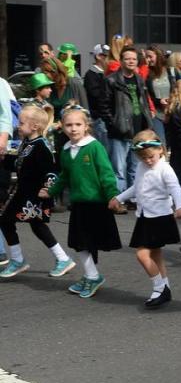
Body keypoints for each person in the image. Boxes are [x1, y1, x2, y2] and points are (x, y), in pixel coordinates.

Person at [39, 105, 121, 298]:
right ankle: (91, 275)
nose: (73, 129)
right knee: (79, 243)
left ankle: (92, 276)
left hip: (97, 204)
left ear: (86, 126)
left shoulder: (94, 147)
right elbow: (64, 176)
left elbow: (106, 173)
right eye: (69, 125)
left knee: (87, 242)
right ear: (62, 126)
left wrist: (112, 195)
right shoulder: (66, 150)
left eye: (78, 124)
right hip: (79, 204)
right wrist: (51, 192)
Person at [108, 131, 181, 308]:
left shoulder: (165, 169)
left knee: (142, 254)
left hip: (159, 216)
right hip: (145, 216)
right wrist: (119, 198)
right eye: (143, 158)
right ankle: (164, 287)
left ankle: (160, 288)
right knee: (155, 254)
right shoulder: (142, 167)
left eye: (151, 156)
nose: (148, 161)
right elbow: (136, 188)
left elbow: (175, 188)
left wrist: (180, 207)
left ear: (160, 149)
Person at [0, 104, 76, 280]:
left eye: (21, 123)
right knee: (34, 225)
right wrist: (4, 159)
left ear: (34, 126)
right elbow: (21, 164)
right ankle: (62, 258)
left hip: (35, 196)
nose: (18, 126)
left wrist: (48, 189)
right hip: (23, 194)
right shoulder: (28, 143)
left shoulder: (41, 146)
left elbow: (50, 170)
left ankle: (20, 260)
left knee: (8, 221)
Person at [105, 46, 152, 194]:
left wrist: (147, 122)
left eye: (134, 59)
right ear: (121, 61)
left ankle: (134, 197)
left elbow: (144, 102)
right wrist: (113, 124)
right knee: (119, 169)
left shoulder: (139, 79)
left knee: (136, 167)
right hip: (120, 130)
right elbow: (104, 106)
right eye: (127, 59)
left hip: (138, 130)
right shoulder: (112, 80)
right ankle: (119, 199)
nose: (131, 61)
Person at [84, 44, 111, 145]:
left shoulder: (107, 74)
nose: (110, 60)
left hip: (108, 119)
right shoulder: (91, 74)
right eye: (107, 56)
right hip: (99, 119)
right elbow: (96, 95)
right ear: (99, 56)